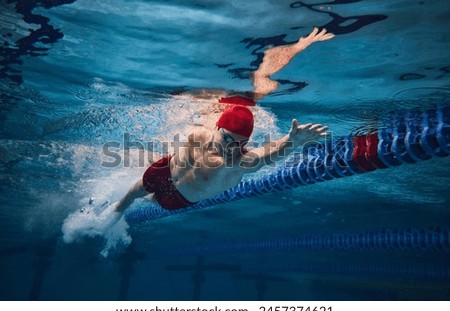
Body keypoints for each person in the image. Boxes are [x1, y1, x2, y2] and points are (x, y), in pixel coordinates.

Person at [113, 27, 334, 217]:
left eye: (238, 144)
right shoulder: (203, 131)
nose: (231, 147)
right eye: (227, 138)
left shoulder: (237, 162)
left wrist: (291, 141)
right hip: (164, 170)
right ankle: (115, 212)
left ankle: (133, 205)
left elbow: (268, 154)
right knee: (137, 190)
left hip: (177, 199)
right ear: (217, 128)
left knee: (150, 199)